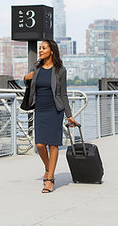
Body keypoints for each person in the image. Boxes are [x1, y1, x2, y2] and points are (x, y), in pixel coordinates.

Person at [24, 39, 78, 193]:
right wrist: (25, 78)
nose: (40, 51)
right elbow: (30, 84)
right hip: (40, 109)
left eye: (44, 48)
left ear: (52, 51)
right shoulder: (37, 68)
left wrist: (69, 115)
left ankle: (50, 178)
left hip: (55, 110)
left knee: (53, 144)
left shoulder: (60, 70)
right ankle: (48, 167)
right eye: (40, 48)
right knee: (40, 144)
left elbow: (63, 94)